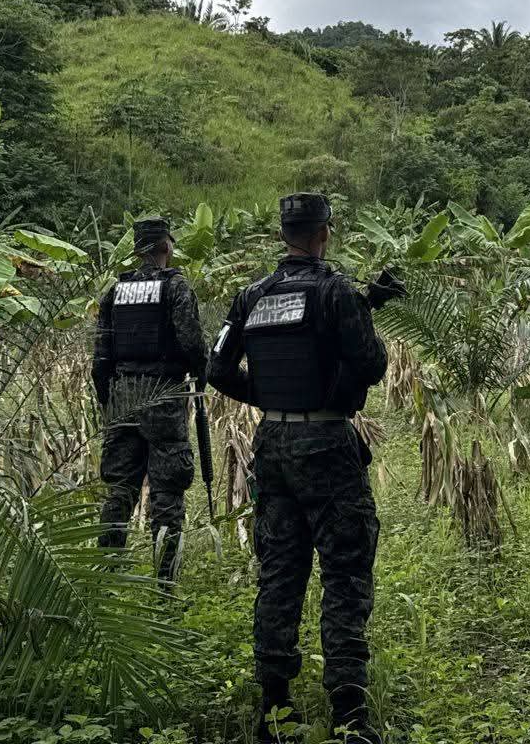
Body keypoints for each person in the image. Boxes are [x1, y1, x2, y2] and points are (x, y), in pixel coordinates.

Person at [207, 193, 402, 744]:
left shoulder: (251, 296)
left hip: (271, 442)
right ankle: (350, 715)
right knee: (344, 573)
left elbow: (217, 367)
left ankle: (274, 710)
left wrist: (266, 393)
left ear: (283, 234)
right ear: (324, 234)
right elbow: (370, 363)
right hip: (327, 444)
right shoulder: (336, 291)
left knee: (280, 573)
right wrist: (365, 311)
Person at [93, 216, 207, 583]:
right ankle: (163, 585)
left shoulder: (114, 291)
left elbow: (101, 358)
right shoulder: (175, 287)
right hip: (163, 394)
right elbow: (191, 343)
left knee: (119, 491)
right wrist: (198, 371)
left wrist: (109, 400)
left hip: (123, 394)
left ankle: (106, 579)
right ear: (166, 247)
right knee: (167, 494)